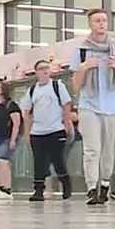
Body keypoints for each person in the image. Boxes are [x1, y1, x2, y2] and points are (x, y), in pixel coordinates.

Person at [70, 8, 115, 205]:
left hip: (112, 106)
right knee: (92, 148)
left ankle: (105, 183)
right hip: (89, 104)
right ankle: (90, 187)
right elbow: (76, 85)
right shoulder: (81, 50)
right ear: (90, 24)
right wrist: (84, 67)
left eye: (104, 20)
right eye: (97, 21)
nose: (102, 24)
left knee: (108, 149)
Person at [20, 60, 74, 202]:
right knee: (39, 162)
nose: (44, 71)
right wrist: (27, 132)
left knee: (58, 160)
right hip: (38, 132)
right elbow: (27, 112)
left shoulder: (57, 86)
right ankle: (38, 190)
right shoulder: (32, 90)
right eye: (41, 68)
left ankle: (66, 184)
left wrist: (67, 123)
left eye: (46, 68)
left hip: (56, 129)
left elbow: (66, 105)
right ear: (36, 72)